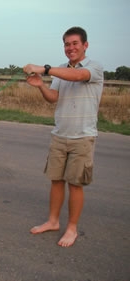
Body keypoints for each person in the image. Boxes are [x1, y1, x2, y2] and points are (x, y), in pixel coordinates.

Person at [23, 26, 103, 247]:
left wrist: (45, 69)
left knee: (75, 184)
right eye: (67, 44)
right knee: (56, 181)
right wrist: (41, 86)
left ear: (85, 45)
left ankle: (72, 228)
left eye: (75, 43)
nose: (70, 48)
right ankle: (53, 221)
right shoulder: (60, 70)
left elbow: (78, 76)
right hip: (60, 134)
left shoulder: (94, 67)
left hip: (83, 137)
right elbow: (53, 98)